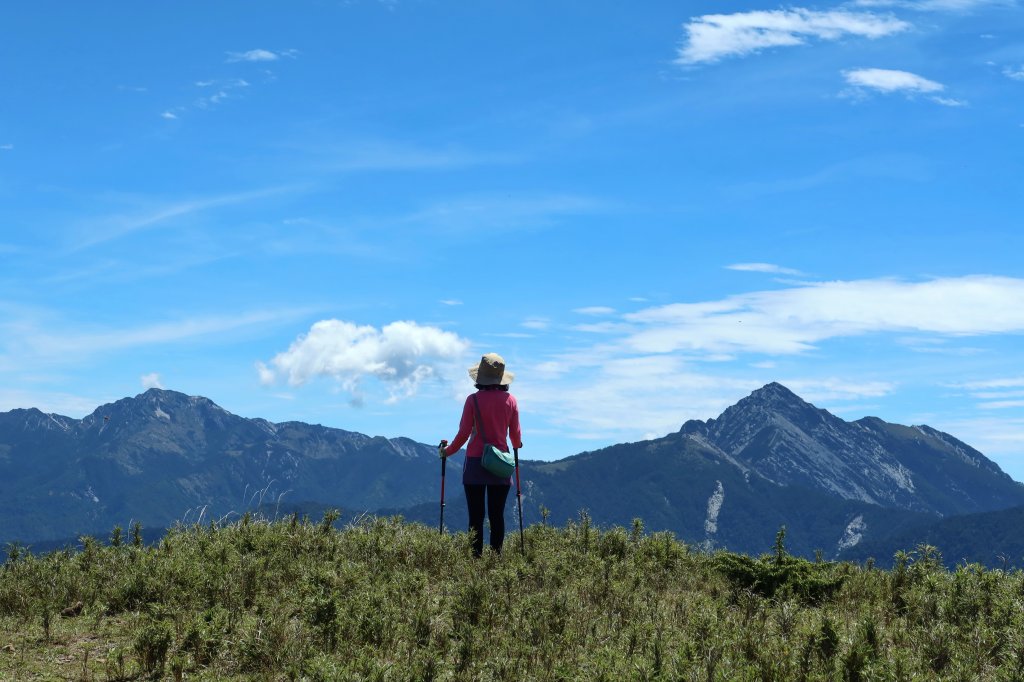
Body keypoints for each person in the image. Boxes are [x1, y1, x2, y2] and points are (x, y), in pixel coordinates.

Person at [439, 353, 522, 557]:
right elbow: (516, 437)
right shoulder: (511, 401)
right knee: (497, 516)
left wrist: (446, 452)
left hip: (476, 462)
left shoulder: (472, 401)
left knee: (475, 516)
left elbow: (463, 434)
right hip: (500, 463)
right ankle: (496, 558)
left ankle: (475, 560)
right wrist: (517, 445)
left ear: (480, 377)